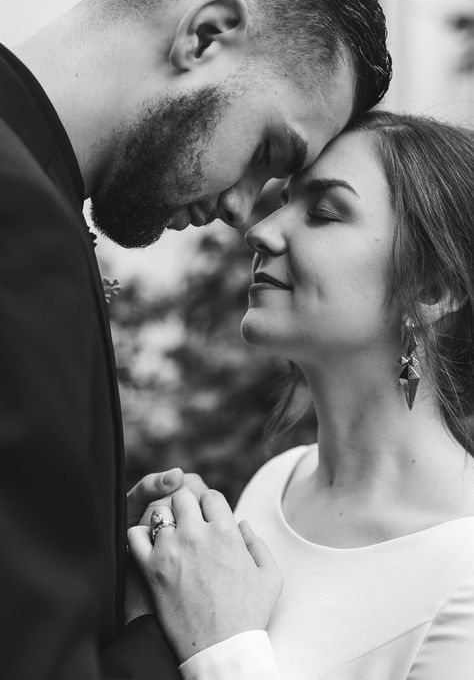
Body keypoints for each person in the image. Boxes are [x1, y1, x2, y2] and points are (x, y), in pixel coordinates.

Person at [0, 0, 391, 678]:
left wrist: (78, 548)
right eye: (269, 153)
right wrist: (183, 634)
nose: (247, 213)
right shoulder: (20, 224)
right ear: (204, 35)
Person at [128, 111, 474, 679]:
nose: (260, 230)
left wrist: (222, 649)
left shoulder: (464, 571)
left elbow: (215, 650)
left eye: (323, 212)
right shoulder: (276, 483)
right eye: (283, 200)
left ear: (431, 290)